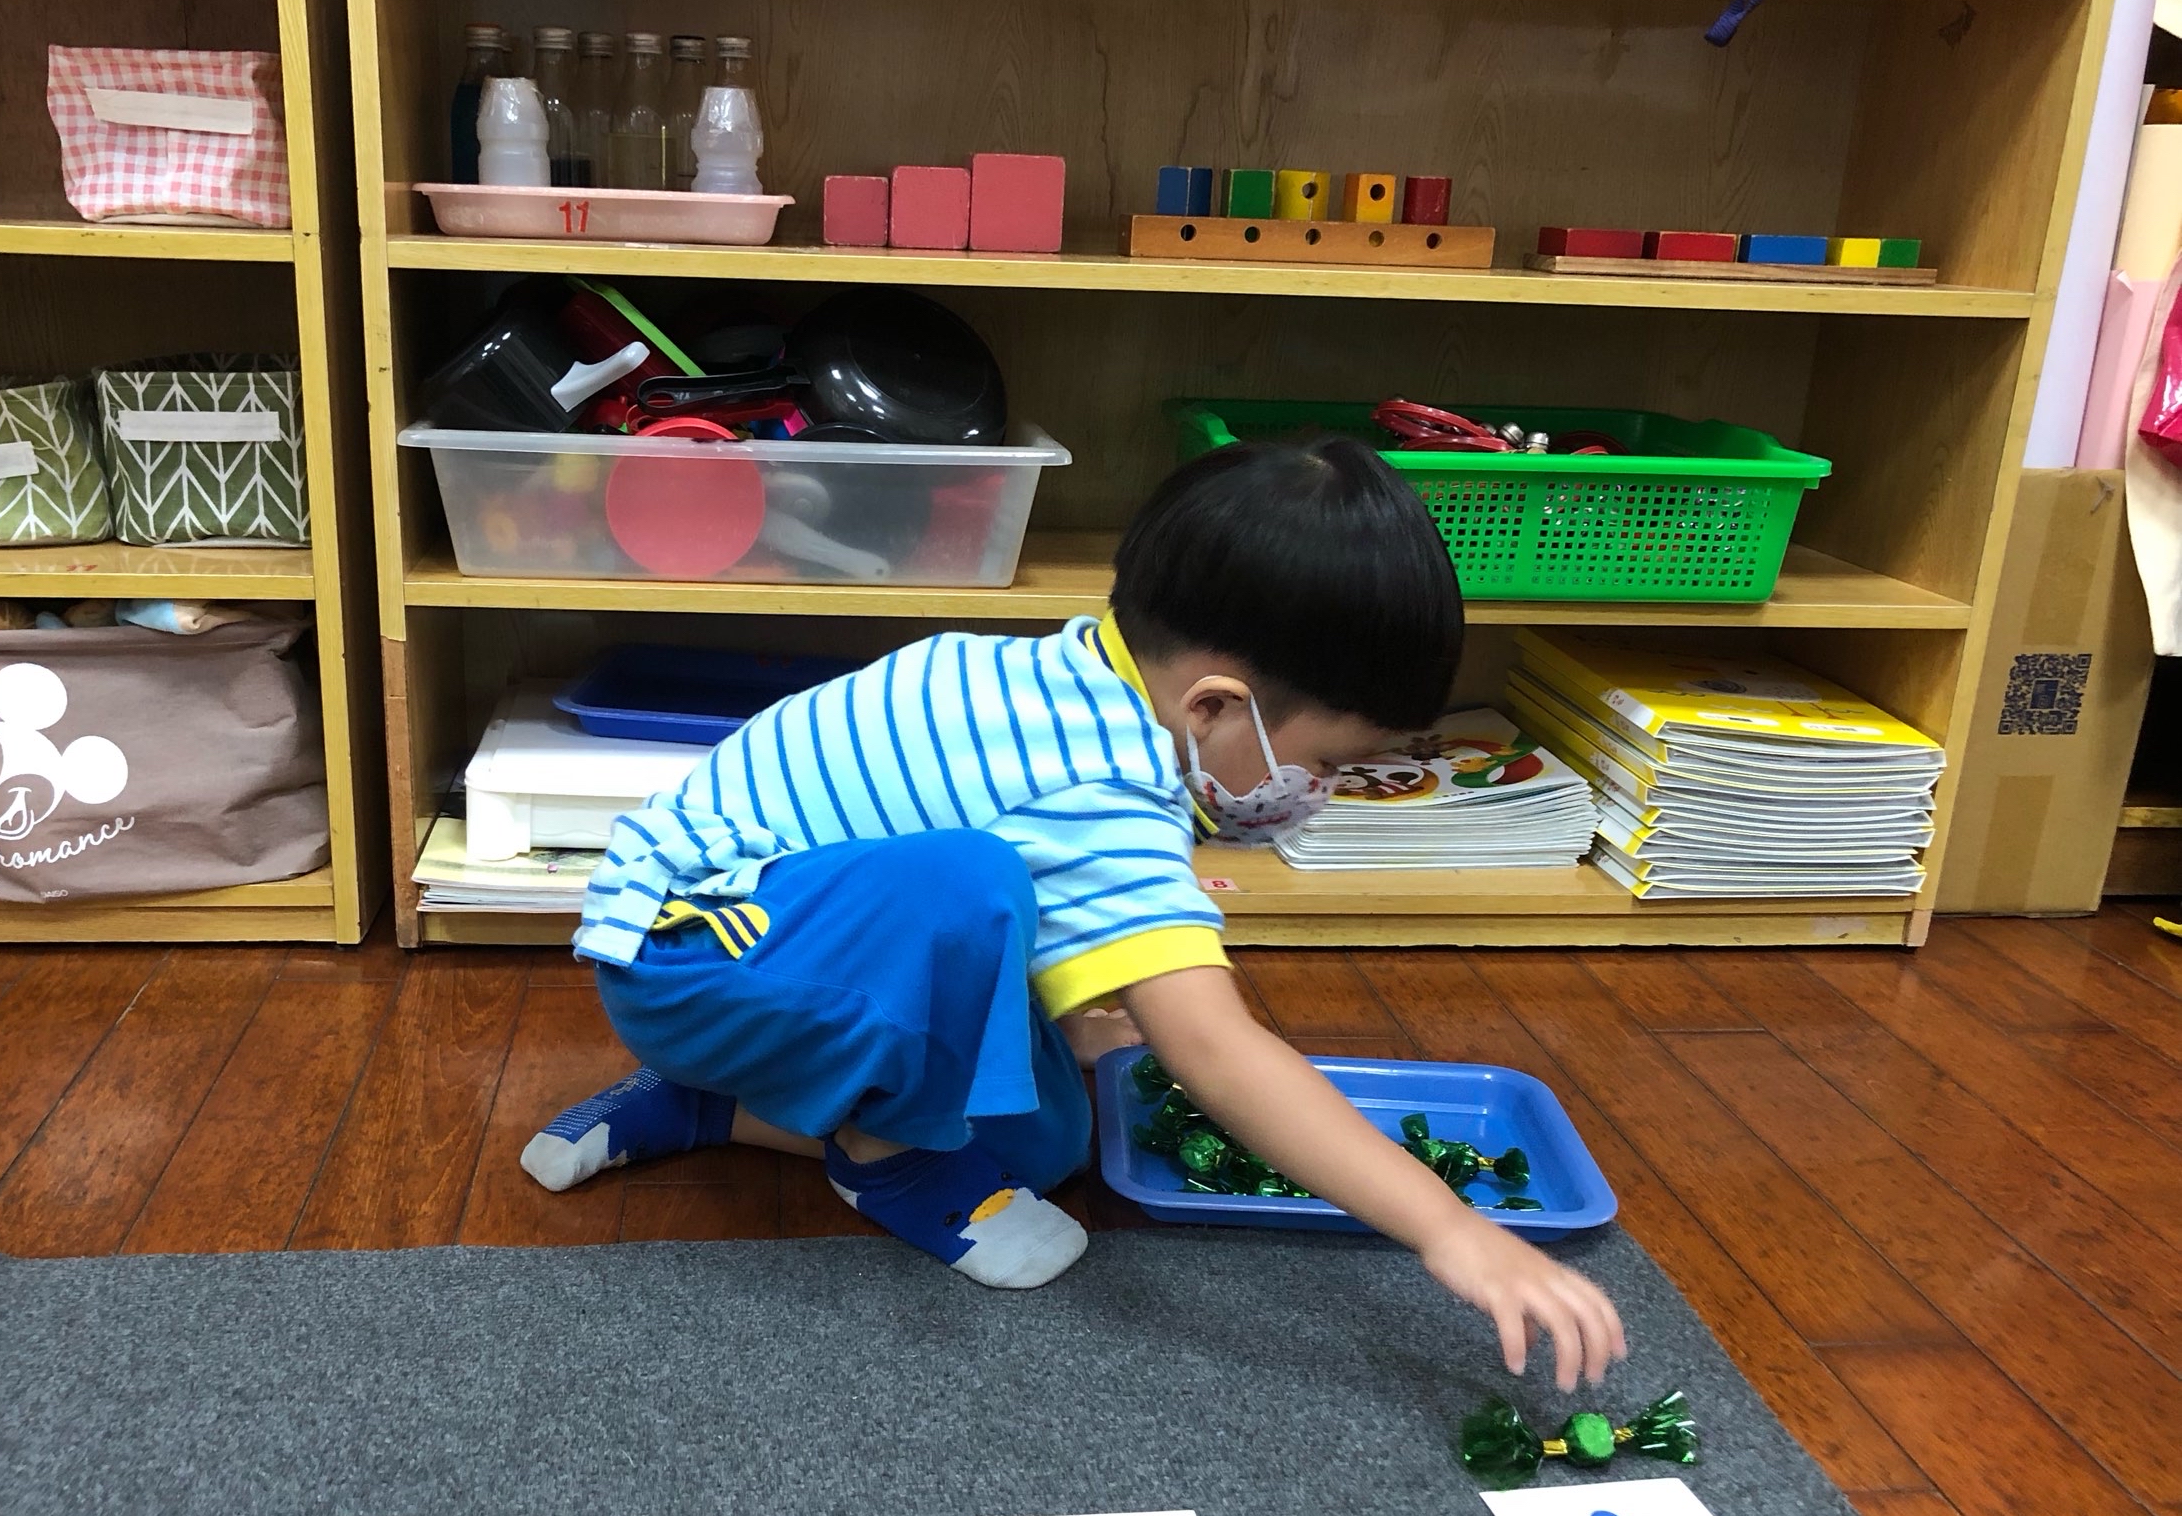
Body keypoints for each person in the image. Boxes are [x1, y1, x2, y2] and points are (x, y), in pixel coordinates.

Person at [524, 436, 1627, 1389]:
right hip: (688, 961)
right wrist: (1450, 1228)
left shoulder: (1073, 676)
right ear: (1214, 705)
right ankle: (880, 1159)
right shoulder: (1094, 788)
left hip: (775, 947)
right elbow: (1213, 1047)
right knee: (967, 884)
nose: (1321, 794)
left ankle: (705, 1108)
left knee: (1048, 1139)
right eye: (1329, 764)